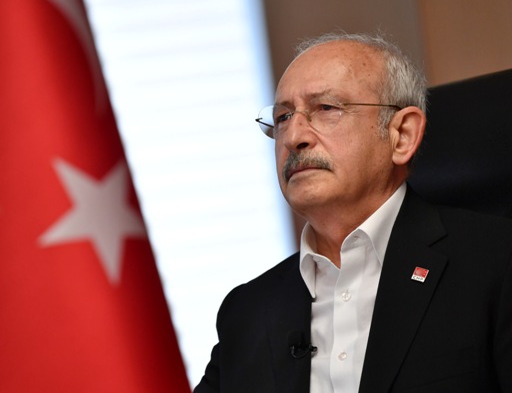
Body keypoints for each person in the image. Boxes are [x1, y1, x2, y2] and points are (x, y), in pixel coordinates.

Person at [194, 32, 512, 393]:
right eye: (282, 117)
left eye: (326, 108)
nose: (294, 136)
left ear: (402, 135)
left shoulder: (497, 262)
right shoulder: (247, 312)